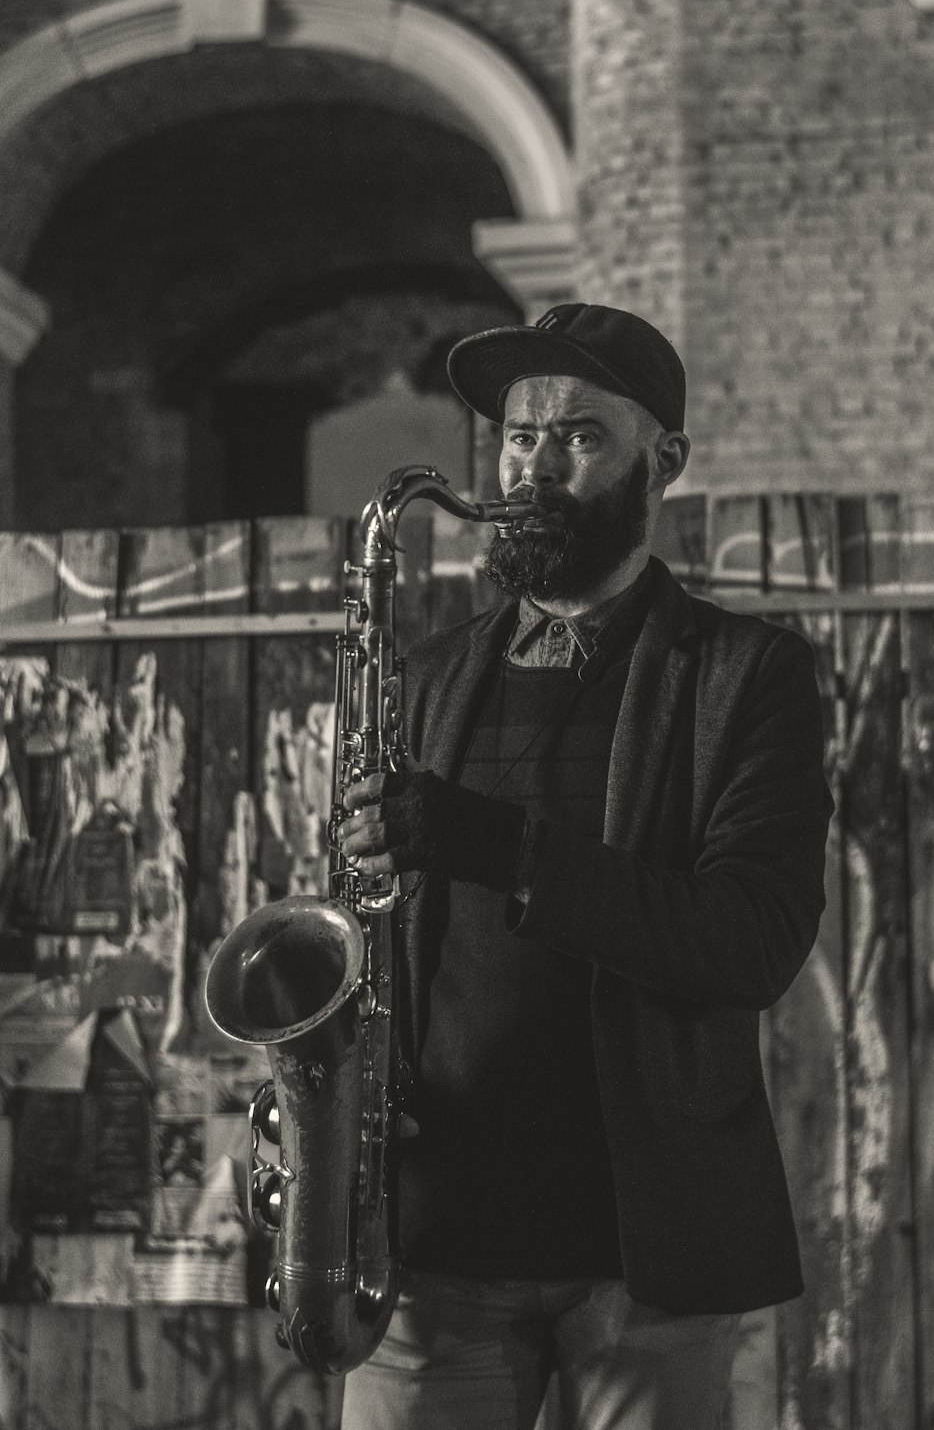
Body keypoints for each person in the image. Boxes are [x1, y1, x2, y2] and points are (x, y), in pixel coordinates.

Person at [336, 302, 834, 1430]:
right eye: (517, 437)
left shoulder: (746, 677)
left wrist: (494, 845)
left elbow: (747, 940)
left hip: (643, 1251)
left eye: (579, 438)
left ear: (664, 462)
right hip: (432, 1239)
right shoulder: (422, 676)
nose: (533, 468)